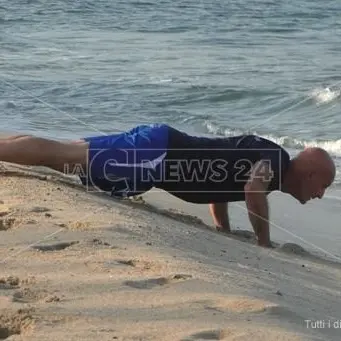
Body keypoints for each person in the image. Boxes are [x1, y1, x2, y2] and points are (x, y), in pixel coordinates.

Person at [0, 123, 335, 248]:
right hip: (157, 154)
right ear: (310, 174)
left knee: (60, 151)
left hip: (158, 146)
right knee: (56, 155)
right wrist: (263, 243)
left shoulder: (268, 156)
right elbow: (251, 190)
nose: (321, 194)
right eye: (324, 184)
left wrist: (223, 229)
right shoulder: (275, 162)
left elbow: (222, 185)